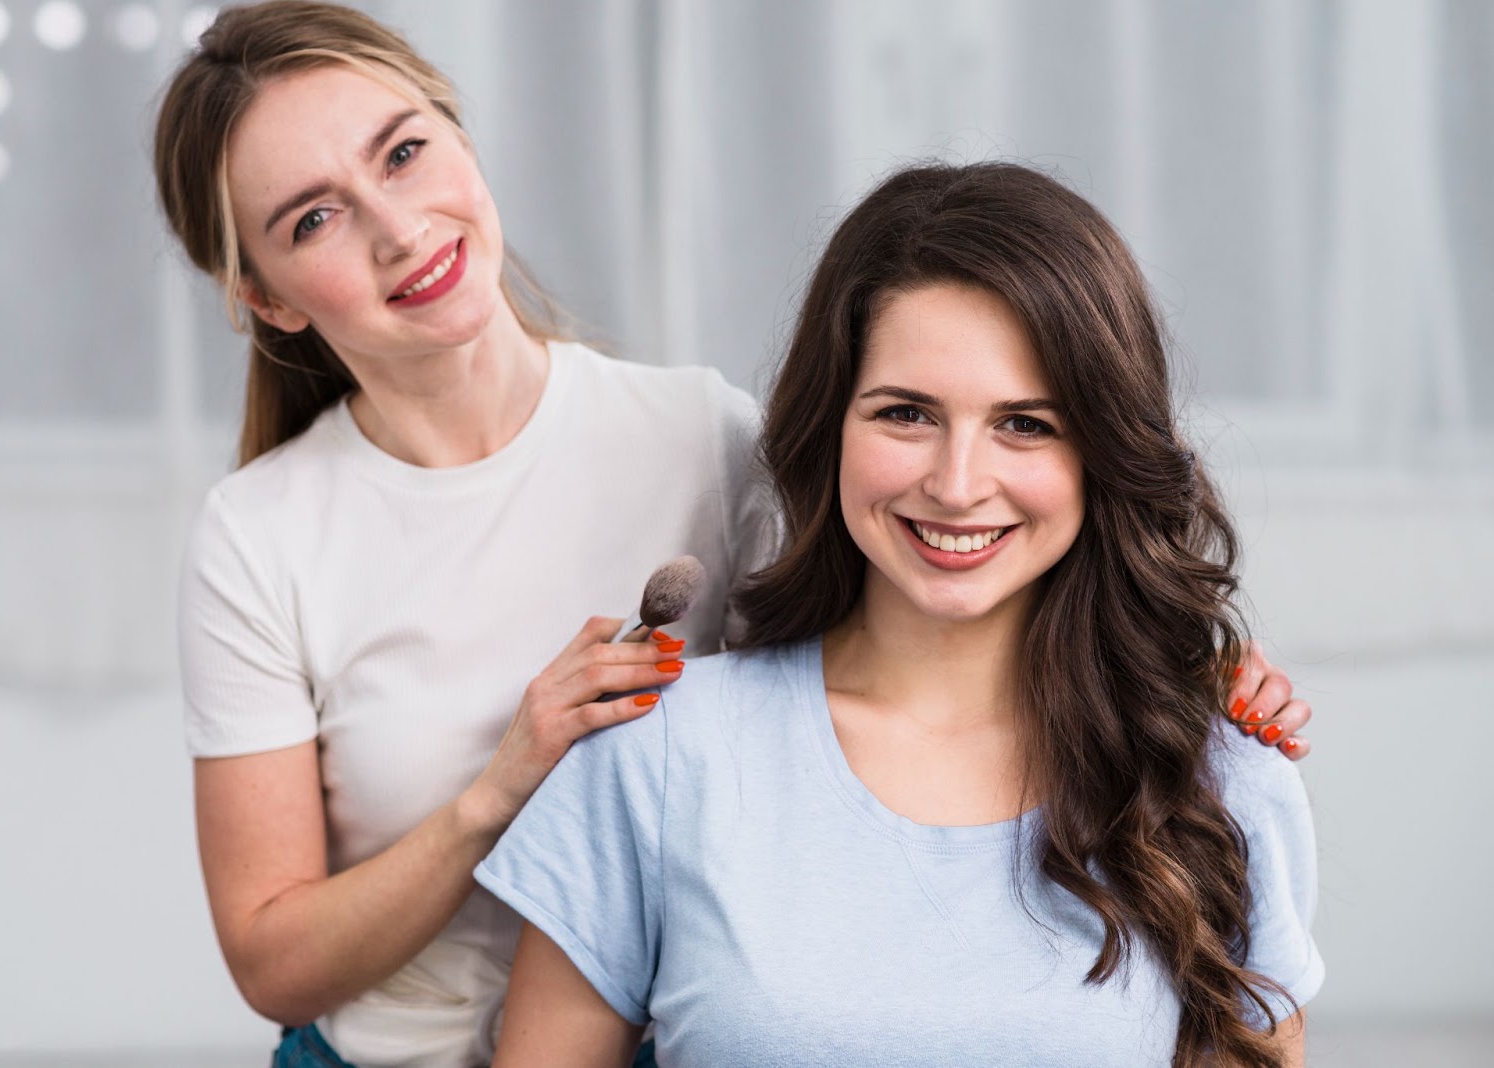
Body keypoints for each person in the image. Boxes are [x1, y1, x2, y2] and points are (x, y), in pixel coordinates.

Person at [153, 4, 1313, 1066]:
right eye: (314, 218)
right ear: (267, 297)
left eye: (402, 152)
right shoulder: (260, 536)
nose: (399, 230)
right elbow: (271, 961)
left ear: (460, 136)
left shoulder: (699, 436)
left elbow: (926, 589)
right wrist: (503, 784)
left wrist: (1182, 683)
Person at [476, 162, 1323, 1067]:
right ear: (829, 424)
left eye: (1025, 424)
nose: (957, 486)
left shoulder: (1217, 775)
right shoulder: (654, 757)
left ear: (1104, 454)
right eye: (907, 413)